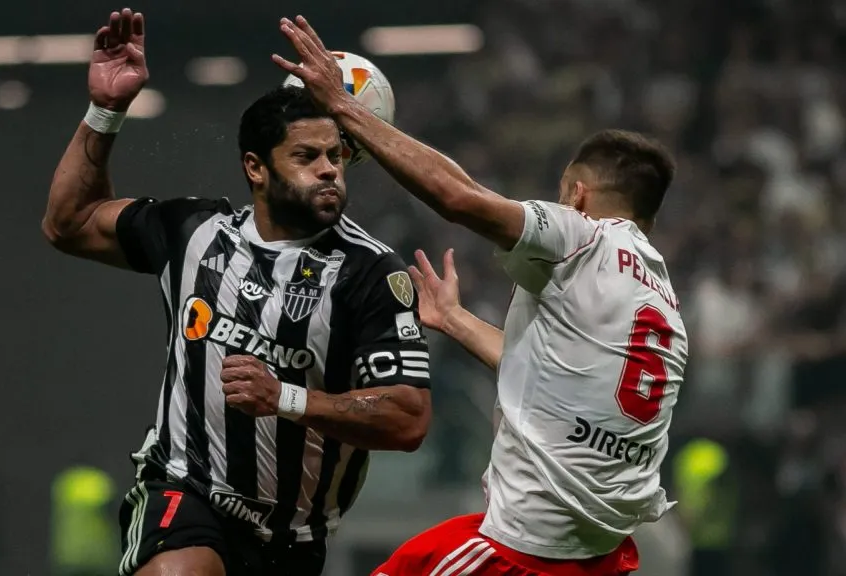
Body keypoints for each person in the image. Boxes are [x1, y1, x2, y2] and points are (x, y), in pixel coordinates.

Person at [273, 16, 687, 576]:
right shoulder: (660, 296)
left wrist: (343, 108)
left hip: (526, 550)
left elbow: (458, 198)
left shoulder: (580, 233)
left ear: (577, 193)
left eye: (561, 194)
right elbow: (557, 376)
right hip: (601, 553)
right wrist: (455, 318)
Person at [42, 9, 433, 576]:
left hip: (294, 539)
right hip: (186, 492)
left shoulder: (370, 272)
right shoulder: (194, 233)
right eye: (306, 157)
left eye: (335, 156)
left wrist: (287, 398)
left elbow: (407, 418)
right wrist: (106, 111)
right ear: (256, 168)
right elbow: (69, 223)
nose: (329, 170)